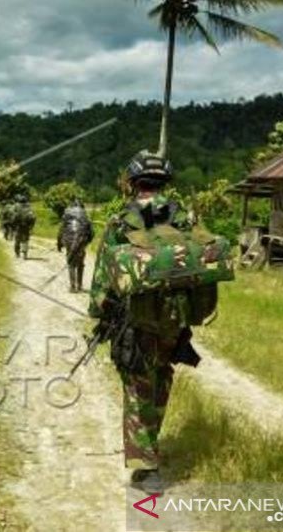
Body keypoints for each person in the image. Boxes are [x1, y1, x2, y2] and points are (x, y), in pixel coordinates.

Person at [88, 151, 233, 494]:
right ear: (165, 182)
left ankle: (145, 468)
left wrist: (98, 315)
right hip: (175, 318)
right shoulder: (184, 217)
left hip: (136, 321)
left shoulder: (120, 221)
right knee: (161, 379)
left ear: (133, 183)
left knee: (138, 388)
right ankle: (151, 446)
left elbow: (103, 280)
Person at [57, 199, 94, 292]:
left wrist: (59, 243)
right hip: (81, 241)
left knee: (71, 264)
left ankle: (73, 287)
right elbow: (91, 233)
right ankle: (79, 285)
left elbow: (61, 230)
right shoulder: (85, 215)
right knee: (80, 264)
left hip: (69, 241)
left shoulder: (66, 213)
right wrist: (87, 242)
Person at [12, 194, 36, 259]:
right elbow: (33, 218)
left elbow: (14, 217)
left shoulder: (16, 207)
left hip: (18, 226)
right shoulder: (29, 208)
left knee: (17, 240)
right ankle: (25, 253)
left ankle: (17, 253)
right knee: (25, 240)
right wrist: (31, 227)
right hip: (26, 227)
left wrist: (13, 225)